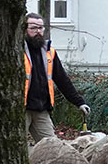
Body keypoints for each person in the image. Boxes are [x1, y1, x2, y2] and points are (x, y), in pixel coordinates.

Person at [24, 13, 90, 141]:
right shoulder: (16, 51)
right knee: (15, 150)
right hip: (21, 109)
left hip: (41, 109)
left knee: (52, 147)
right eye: (33, 28)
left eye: (40, 28)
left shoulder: (49, 52)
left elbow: (62, 80)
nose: (37, 31)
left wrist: (79, 102)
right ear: (24, 29)